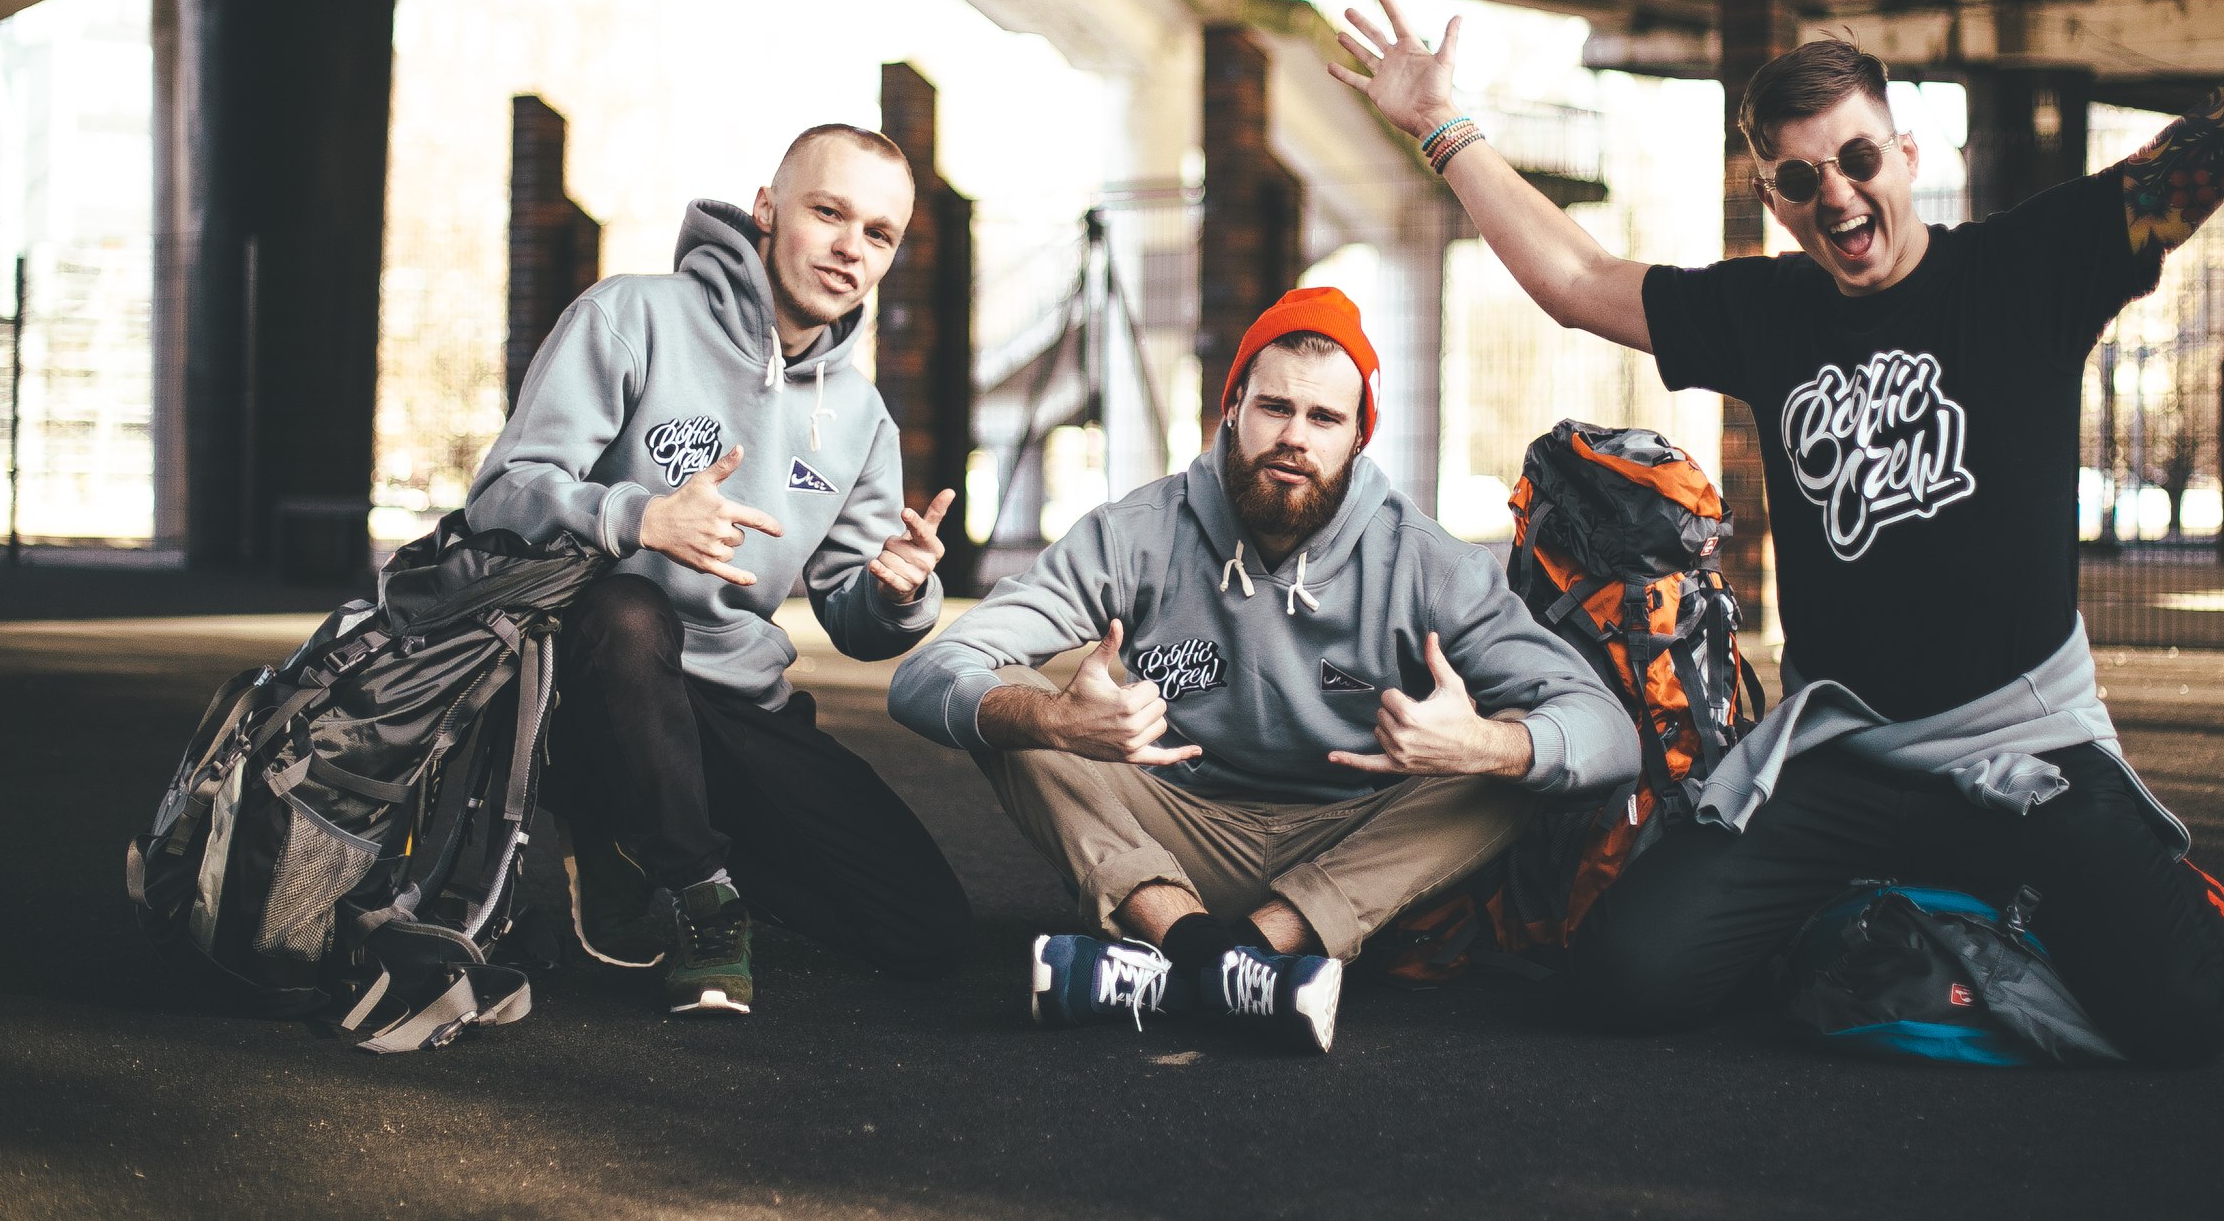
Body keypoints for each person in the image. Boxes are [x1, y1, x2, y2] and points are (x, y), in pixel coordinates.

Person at [1325, 0, 2224, 1064]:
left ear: (1905, 151)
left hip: (2027, 749)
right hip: (1843, 757)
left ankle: (2147, 902)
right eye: (1799, 180)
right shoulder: (1767, 311)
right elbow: (1571, 279)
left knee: (2184, 1017)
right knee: (1626, 976)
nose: (1837, 196)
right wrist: (1443, 128)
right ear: (1772, 194)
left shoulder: (2034, 267)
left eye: (1856, 158)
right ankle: (1925, 906)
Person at [887, 287, 1636, 1052]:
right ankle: (1214, 958)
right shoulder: (1134, 534)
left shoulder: (1427, 563)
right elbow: (926, 673)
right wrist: (1057, 720)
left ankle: (1209, 961)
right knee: (1016, 707)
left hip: (1352, 842)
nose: (1294, 437)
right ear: (1233, 407)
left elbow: (1610, 731)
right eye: (1275, 407)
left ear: (1359, 437)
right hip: (1174, 828)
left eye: (1324, 418)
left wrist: (1481, 744)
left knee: (1512, 758)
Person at [467, 124, 972, 1015]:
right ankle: (703, 893)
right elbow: (501, 494)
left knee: (925, 930)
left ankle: (651, 828)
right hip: (584, 678)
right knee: (629, 611)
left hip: (731, 697)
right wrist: (637, 516)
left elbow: (853, 619)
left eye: (879, 233)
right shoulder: (633, 315)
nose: (851, 248)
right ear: (768, 210)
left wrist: (897, 591)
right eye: (829, 212)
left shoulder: (860, 415)